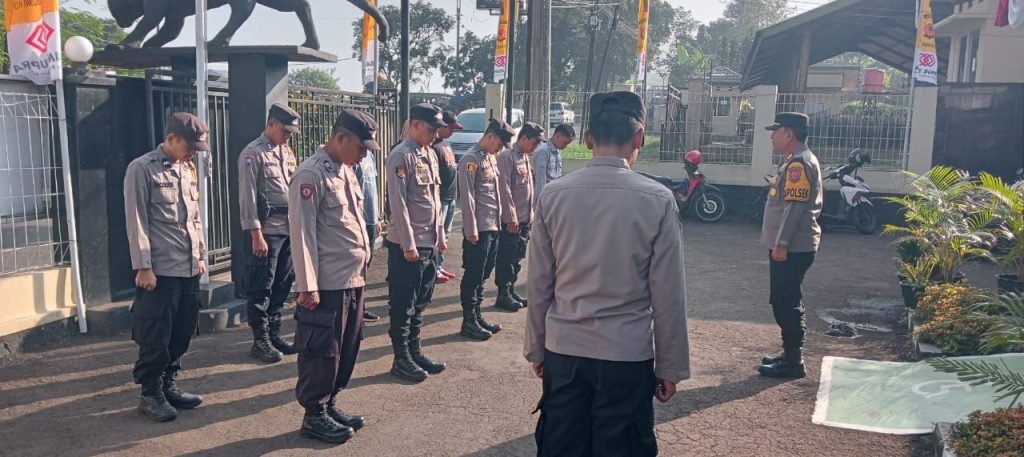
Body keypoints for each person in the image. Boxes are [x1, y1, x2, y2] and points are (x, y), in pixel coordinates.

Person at [524, 92, 690, 456]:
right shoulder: (658, 199)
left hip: (564, 350)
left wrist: (536, 347)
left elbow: (538, 283)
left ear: (587, 138)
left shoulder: (553, 195)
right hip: (626, 355)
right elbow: (668, 294)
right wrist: (671, 366)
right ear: (639, 137)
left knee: (562, 445)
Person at [288, 109, 378, 444]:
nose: (364, 154)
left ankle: (330, 403)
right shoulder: (311, 175)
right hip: (326, 283)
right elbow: (302, 234)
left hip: (352, 278)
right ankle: (313, 415)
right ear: (341, 138)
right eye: (361, 147)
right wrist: (307, 285)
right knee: (322, 352)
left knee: (347, 347)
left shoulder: (347, 171)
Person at [124, 112, 209, 422]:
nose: (193, 154)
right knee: (155, 335)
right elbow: (137, 221)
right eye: (190, 147)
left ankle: (168, 382)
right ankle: (150, 392)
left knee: (183, 331)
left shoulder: (186, 169)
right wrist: (143, 265)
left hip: (188, 266)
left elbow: (194, 217)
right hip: (159, 270)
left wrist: (200, 254)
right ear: (171, 138)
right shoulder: (141, 169)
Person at [384, 103, 448, 382]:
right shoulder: (401, 155)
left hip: (428, 243)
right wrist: (409, 244)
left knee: (421, 301)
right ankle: (401, 359)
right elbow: (398, 204)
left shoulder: (429, 154)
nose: (436, 134)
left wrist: (441, 236)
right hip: (407, 247)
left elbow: (434, 200)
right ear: (416, 125)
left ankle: (414, 350)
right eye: (432, 129)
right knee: (403, 303)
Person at [758, 112, 822, 379]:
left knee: (785, 302)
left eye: (777, 131)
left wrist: (781, 243)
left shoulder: (798, 164)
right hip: (792, 246)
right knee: (786, 300)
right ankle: (790, 354)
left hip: (792, 247)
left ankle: (794, 362)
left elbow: (794, 208)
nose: (772, 136)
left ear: (789, 134)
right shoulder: (795, 161)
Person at [238, 103, 300, 363]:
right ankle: (260, 339)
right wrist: (256, 234)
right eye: (285, 130)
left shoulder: (287, 152)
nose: (288, 136)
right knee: (261, 287)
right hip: (267, 231)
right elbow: (248, 197)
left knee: (282, 284)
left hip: (288, 229)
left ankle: (274, 332)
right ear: (271, 124)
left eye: (291, 132)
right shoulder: (253, 154)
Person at [457, 118, 516, 340]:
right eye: (499, 144)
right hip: (478, 229)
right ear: (490, 136)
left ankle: (477, 315)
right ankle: (468, 321)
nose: (500, 149)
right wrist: (470, 229)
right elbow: (468, 197)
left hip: (492, 226)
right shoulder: (471, 159)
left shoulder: (490, 158)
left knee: (483, 274)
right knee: (473, 275)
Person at [494, 122, 544, 311]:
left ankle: (511, 289)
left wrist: (530, 215)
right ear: (523, 138)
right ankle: (503, 294)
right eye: (534, 142)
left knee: (517, 256)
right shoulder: (507, 157)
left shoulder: (523, 157)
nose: (536, 146)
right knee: (506, 257)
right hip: (512, 221)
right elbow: (504, 188)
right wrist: (511, 216)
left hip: (524, 218)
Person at [432, 110, 464, 283]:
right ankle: (434, 268)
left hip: (451, 197)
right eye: (450, 128)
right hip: (441, 197)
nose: (453, 132)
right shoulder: (433, 146)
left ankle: (439, 265)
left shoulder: (445, 144)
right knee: (438, 235)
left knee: (446, 234)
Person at [353, 149, 382, 322]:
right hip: (359, 219)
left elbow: (373, 187)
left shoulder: (368, 155)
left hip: (370, 218)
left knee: (365, 266)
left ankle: (360, 306)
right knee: (356, 267)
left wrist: (377, 216)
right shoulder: (352, 157)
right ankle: (356, 308)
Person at [532, 123, 575, 198]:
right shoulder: (543, 151)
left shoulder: (557, 151)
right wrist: (541, 201)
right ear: (558, 136)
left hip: (555, 195)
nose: (566, 146)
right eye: (565, 143)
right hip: (546, 196)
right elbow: (540, 181)